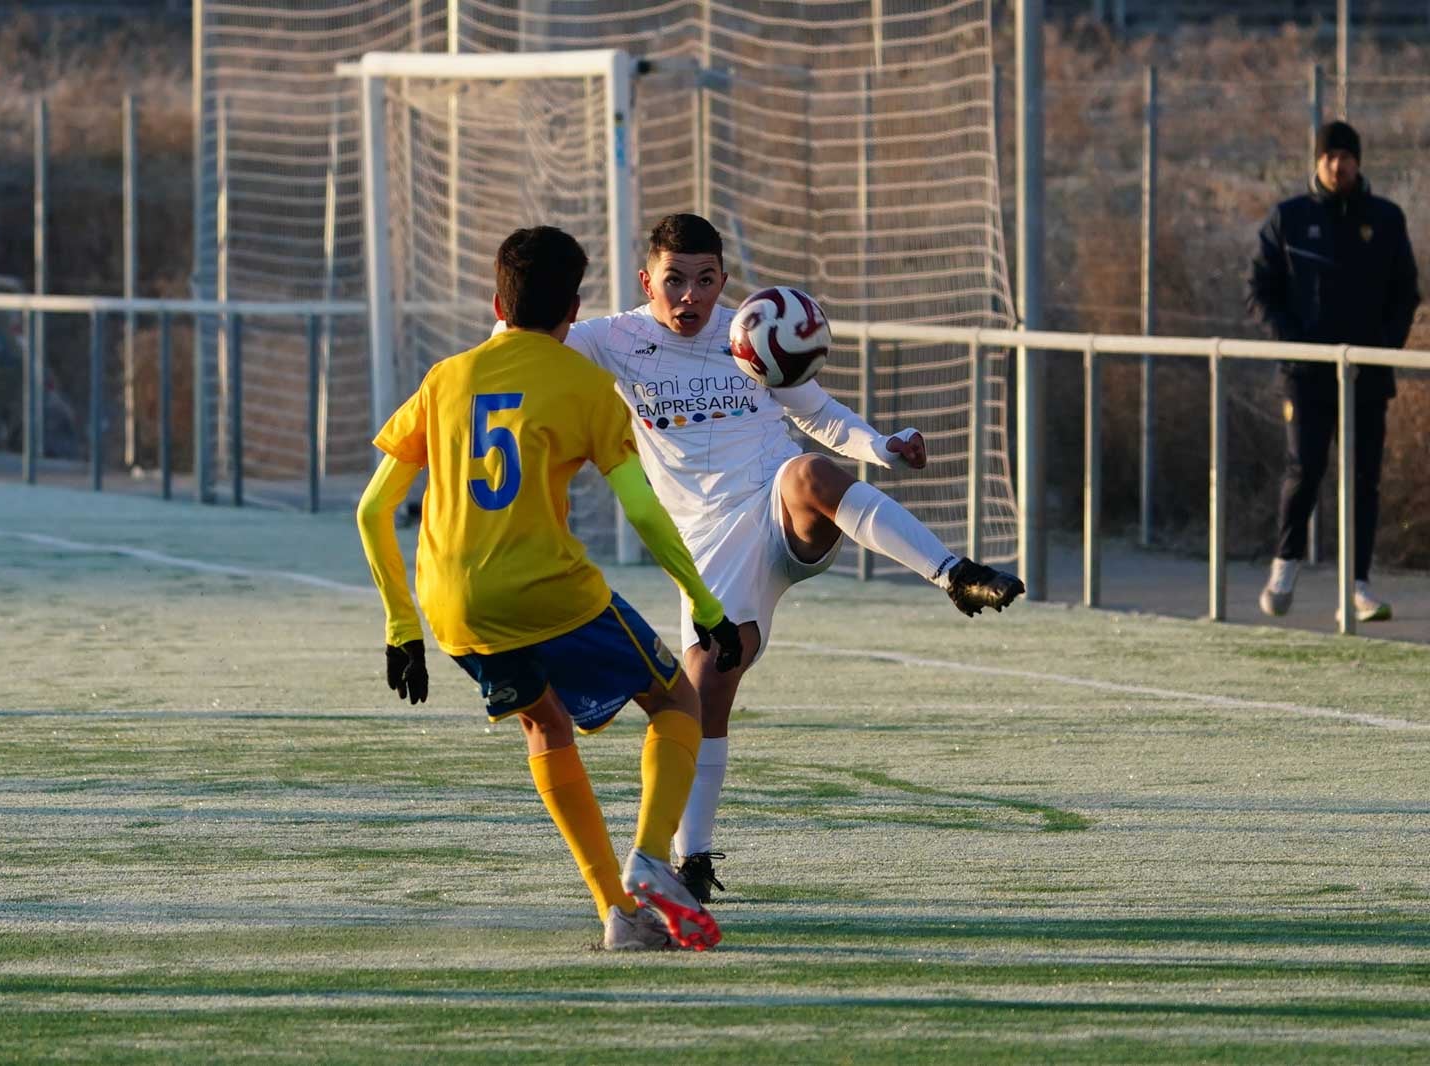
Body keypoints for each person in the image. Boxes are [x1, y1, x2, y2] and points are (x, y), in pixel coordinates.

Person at [551, 213, 1024, 903]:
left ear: (722, 281)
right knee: (704, 691)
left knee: (809, 471)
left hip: (776, 506)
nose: (691, 297)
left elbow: (821, 414)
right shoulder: (613, 339)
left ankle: (954, 574)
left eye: (706, 280)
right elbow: (533, 350)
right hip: (707, 545)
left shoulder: (752, 332)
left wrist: (883, 447)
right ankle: (694, 860)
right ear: (647, 279)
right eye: (675, 281)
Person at [356, 225, 744, 951]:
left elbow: (373, 509)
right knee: (675, 701)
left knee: (546, 726)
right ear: (574, 310)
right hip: (550, 591)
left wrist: (401, 627)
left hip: (452, 606)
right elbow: (643, 511)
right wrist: (710, 607)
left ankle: (618, 916)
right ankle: (654, 859)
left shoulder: (445, 378)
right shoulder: (587, 385)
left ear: (493, 301)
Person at [1248, 120, 1421, 622]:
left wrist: (1385, 348)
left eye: (1345, 156)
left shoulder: (1384, 219)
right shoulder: (1291, 218)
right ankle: (1285, 565)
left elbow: (1406, 292)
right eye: (1329, 157)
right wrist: (1294, 344)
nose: (1337, 165)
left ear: (1359, 162)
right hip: (1308, 376)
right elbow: (1260, 290)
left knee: (1364, 480)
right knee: (1305, 468)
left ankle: (1359, 586)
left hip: (1367, 375)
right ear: (1316, 162)